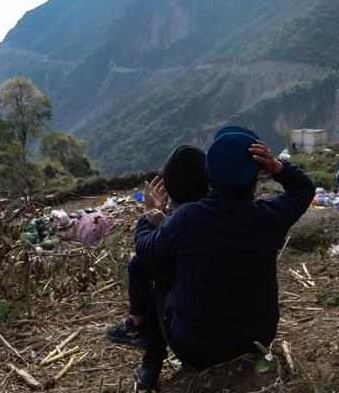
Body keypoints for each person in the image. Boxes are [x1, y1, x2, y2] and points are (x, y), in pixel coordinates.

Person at [131, 126, 315, 390]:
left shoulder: (187, 218)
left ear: (209, 176)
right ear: (257, 178)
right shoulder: (270, 217)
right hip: (258, 339)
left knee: (158, 272)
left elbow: (145, 250)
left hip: (195, 348)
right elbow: (304, 190)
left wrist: (150, 216)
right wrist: (278, 167)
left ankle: (151, 361)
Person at [104, 144, 209, 350]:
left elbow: (143, 250)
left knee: (148, 266)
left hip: (197, 342)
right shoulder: (231, 211)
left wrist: (150, 212)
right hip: (253, 331)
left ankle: (139, 329)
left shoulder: (181, 221)